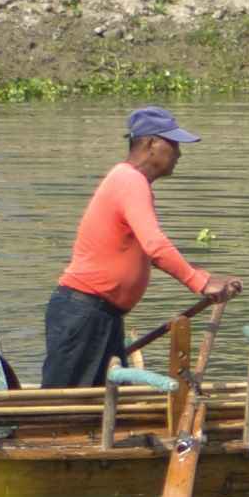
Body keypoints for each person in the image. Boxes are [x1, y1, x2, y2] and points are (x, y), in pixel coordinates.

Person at [43, 111, 220, 391]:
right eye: (173, 145)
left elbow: (149, 252)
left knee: (104, 406)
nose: (179, 154)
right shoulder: (130, 181)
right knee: (62, 412)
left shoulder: (130, 182)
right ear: (151, 144)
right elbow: (156, 246)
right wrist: (201, 282)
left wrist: (204, 278)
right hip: (84, 314)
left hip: (100, 315)